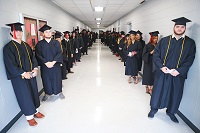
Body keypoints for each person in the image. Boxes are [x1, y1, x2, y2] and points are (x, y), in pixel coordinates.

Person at [148, 17, 196, 123]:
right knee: (158, 91)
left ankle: (171, 112)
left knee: (175, 93)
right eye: (177, 26)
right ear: (174, 27)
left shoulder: (190, 43)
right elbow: (156, 54)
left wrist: (179, 71)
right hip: (163, 72)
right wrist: (161, 66)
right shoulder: (164, 40)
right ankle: (154, 109)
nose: (179, 29)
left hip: (177, 74)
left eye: (182, 27)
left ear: (185, 28)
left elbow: (190, 59)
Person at [3, 22, 44, 126]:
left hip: (31, 74)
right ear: (12, 32)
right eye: (17, 31)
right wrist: (22, 73)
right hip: (19, 78)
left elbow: (33, 57)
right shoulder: (8, 47)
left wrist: (35, 69)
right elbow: (10, 64)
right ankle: (29, 116)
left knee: (34, 92)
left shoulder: (26, 45)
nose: (19, 33)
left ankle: (35, 111)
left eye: (20, 31)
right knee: (24, 95)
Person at [35, 24, 65, 102]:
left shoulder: (56, 43)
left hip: (55, 65)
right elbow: (38, 55)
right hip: (45, 66)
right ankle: (47, 93)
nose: (48, 33)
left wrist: (53, 62)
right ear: (43, 34)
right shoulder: (39, 44)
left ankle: (59, 92)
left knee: (57, 78)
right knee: (46, 79)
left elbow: (59, 53)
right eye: (46, 32)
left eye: (49, 32)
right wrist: (46, 63)